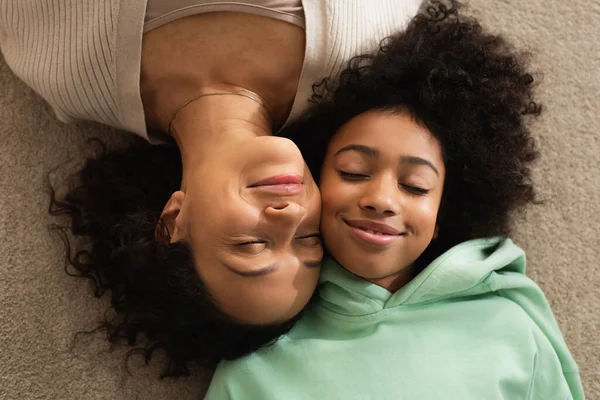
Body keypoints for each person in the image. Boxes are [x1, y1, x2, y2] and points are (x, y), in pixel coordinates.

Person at [0, 0, 423, 376]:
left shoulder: (65, 69)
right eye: (308, 238)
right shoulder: (364, 44)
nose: (291, 214)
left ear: (172, 223)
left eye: (252, 245)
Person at [204, 2, 585, 399]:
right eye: (353, 172)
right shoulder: (253, 364)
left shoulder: (512, 329)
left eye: (416, 186)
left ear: (443, 215)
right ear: (313, 185)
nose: (381, 199)